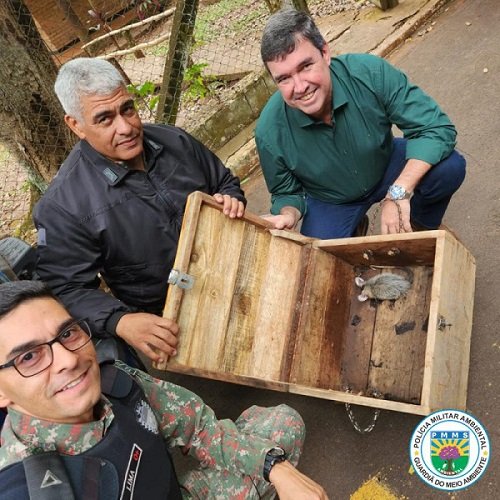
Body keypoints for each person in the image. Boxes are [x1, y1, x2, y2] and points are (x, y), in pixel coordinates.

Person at [0, 280, 328, 499]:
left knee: (281, 424)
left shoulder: (116, 383)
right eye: (29, 357)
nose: (68, 360)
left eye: (68, 334)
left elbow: (198, 428)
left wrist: (275, 468)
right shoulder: (26, 489)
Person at [34, 57, 246, 366]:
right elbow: (66, 288)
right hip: (173, 321)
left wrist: (230, 199)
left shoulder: (174, 141)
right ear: (76, 125)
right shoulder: (62, 206)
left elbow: (223, 181)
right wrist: (120, 321)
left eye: (128, 109)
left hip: (237, 272)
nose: (126, 128)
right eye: (105, 119)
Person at [255, 9, 466, 239]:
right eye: (284, 78)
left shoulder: (369, 72)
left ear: (325, 53)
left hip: (384, 164)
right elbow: (285, 192)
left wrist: (399, 191)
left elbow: (435, 128)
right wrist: (288, 214)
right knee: (319, 250)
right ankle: (355, 226)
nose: (300, 87)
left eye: (306, 66)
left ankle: (418, 223)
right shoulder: (268, 131)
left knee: (449, 168)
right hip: (332, 200)